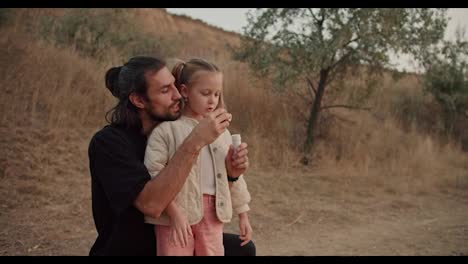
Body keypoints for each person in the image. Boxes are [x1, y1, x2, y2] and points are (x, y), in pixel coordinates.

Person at [88, 56, 255, 256]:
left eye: (175, 86)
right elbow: (152, 204)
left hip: (186, 233)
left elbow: (201, 190)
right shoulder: (109, 143)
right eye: (165, 90)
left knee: (243, 249)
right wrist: (195, 142)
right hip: (136, 248)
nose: (177, 95)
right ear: (139, 100)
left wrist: (231, 174)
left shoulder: (176, 130)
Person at [144, 58, 252, 256]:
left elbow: (234, 176)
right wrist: (174, 213)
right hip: (173, 214)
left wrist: (243, 213)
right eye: (205, 93)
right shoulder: (166, 131)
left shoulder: (223, 133)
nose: (213, 100)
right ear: (184, 91)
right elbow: (154, 174)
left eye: (217, 94)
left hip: (213, 212)